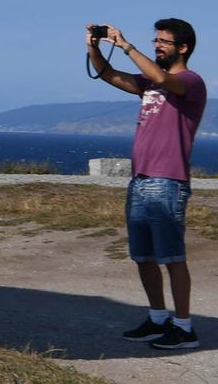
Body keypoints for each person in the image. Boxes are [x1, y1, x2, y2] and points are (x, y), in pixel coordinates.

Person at [87, 18, 207, 351]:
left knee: (172, 256)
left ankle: (184, 327)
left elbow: (160, 77)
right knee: (144, 256)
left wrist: (125, 45)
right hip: (140, 179)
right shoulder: (151, 84)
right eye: (155, 41)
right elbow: (109, 76)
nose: (157, 46)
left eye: (163, 42)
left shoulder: (190, 82)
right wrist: (94, 47)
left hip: (168, 181)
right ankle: (157, 319)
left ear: (182, 48)